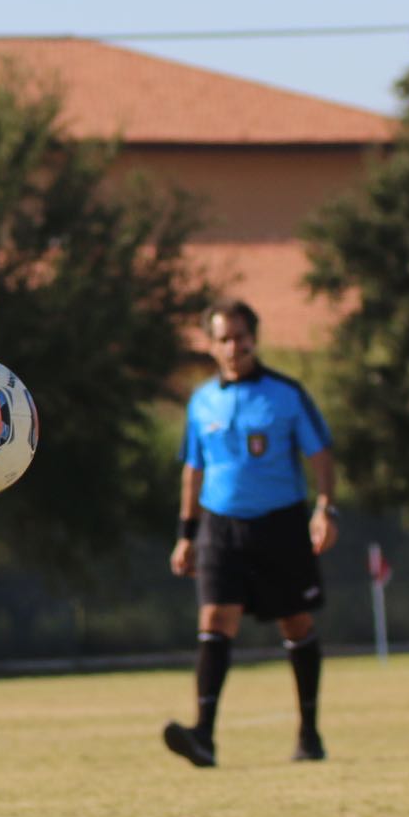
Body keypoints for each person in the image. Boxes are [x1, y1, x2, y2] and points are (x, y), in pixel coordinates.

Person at [162, 301, 336, 769]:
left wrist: (325, 508)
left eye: (241, 336)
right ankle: (203, 736)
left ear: (254, 338)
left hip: (279, 522)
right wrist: (186, 533)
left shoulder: (285, 394)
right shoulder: (201, 401)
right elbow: (192, 470)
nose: (234, 346)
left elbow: (321, 454)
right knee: (215, 620)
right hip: (220, 527)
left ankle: (309, 732)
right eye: (224, 339)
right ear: (212, 345)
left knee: (295, 622)